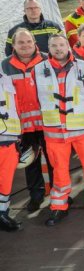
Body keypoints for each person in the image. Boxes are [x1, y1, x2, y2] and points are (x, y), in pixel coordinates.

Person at [38, 35, 84, 226]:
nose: (58, 48)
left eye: (61, 44)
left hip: (83, 130)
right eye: (54, 45)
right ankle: (59, 206)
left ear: (68, 46)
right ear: (49, 48)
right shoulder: (38, 70)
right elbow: (34, 100)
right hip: (54, 132)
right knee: (59, 171)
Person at [2, 30, 48, 212]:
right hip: (23, 125)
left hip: (47, 122)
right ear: (13, 45)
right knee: (30, 163)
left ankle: (61, 194)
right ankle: (36, 197)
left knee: (55, 161)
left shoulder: (47, 60)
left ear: (34, 42)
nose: (25, 45)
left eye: (28, 41)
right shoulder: (4, 66)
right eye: (20, 42)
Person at [0, 62, 23, 231]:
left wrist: (19, 136)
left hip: (9, 140)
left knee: (5, 181)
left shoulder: (7, 80)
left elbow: (15, 108)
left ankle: (2, 213)